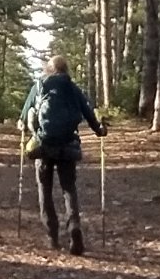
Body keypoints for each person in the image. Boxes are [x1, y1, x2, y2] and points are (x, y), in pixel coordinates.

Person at [19, 54, 107, 254]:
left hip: (44, 145)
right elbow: (89, 115)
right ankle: (74, 226)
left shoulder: (39, 87)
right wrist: (100, 130)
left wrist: (25, 126)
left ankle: (52, 236)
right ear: (66, 70)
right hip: (68, 145)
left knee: (45, 190)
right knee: (69, 189)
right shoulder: (73, 89)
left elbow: (24, 116)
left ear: (48, 70)